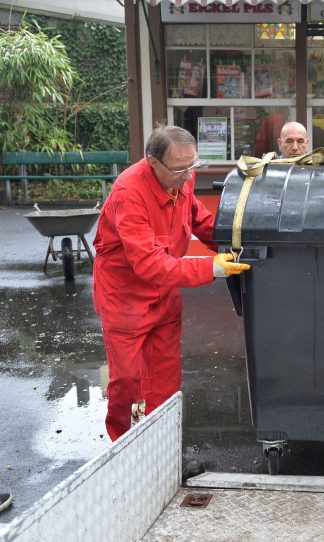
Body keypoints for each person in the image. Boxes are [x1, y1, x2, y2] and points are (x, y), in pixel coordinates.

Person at [93, 125, 251, 442]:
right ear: (152, 161)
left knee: (165, 379)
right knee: (125, 380)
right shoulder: (129, 194)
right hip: (124, 296)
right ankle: (121, 444)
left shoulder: (182, 177)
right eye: (179, 168)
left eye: (193, 166)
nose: (188, 175)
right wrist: (211, 268)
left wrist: (234, 245)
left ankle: (163, 446)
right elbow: (148, 263)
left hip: (164, 295)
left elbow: (198, 219)